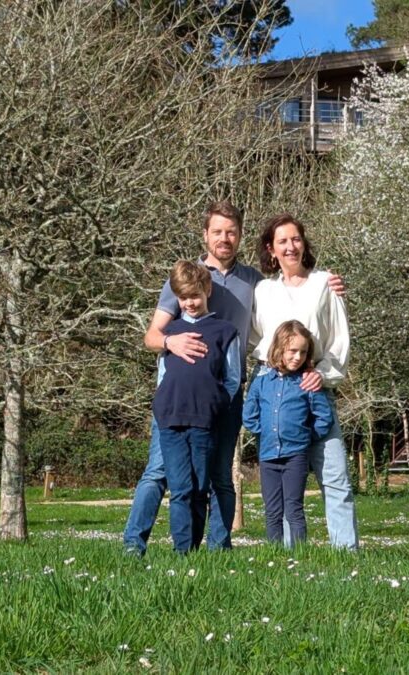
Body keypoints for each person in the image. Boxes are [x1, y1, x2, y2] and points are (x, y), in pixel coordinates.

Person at [123, 201, 345, 556]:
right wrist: (169, 340)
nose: (224, 238)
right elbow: (151, 336)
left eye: (231, 232)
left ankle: (219, 547)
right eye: (217, 232)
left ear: (240, 236)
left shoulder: (254, 281)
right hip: (180, 397)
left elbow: (291, 294)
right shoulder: (185, 277)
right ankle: (134, 545)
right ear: (205, 235)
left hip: (226, 393)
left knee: (221, 476)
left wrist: (326, 282)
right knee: (160, 472)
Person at [250, 213, 358, 550]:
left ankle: (346, 551)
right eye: (282, 241)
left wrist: (321, 374)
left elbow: (339, 340)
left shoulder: (325, 283)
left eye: (295, 239)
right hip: (278, 397)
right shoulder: (263, 291)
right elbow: (258, 341)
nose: (290, 246)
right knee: (283, 482)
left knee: (335, 476)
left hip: (314, 390)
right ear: (271, 249)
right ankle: (287, 553)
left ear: (304, 243)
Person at [151, 261, 240, 553]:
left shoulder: (225, 331)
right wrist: (163, 404)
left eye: (196, 296)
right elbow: (163, 375)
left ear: (207, 291)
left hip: (205, 421)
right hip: (171, 421)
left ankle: (197, 546)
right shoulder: (171, 332)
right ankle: (181, 551)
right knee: (180, 490)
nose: (190, 302)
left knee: (201, 486)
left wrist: (216, 404)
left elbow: (232, 379)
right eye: (184, 297)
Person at [243, 320, 332, 547]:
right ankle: (275, 553)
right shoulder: (262, 383)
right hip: (268, 456)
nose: (297, 357)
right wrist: (263, 432)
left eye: (303, 352)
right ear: (279, 349)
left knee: (294, 508)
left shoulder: (307, 383)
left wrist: (306, 436)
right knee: (272, 510)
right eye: (292, 351)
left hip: (296, 456)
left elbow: (324, 417)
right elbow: (249, 414)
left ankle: (299, 554)